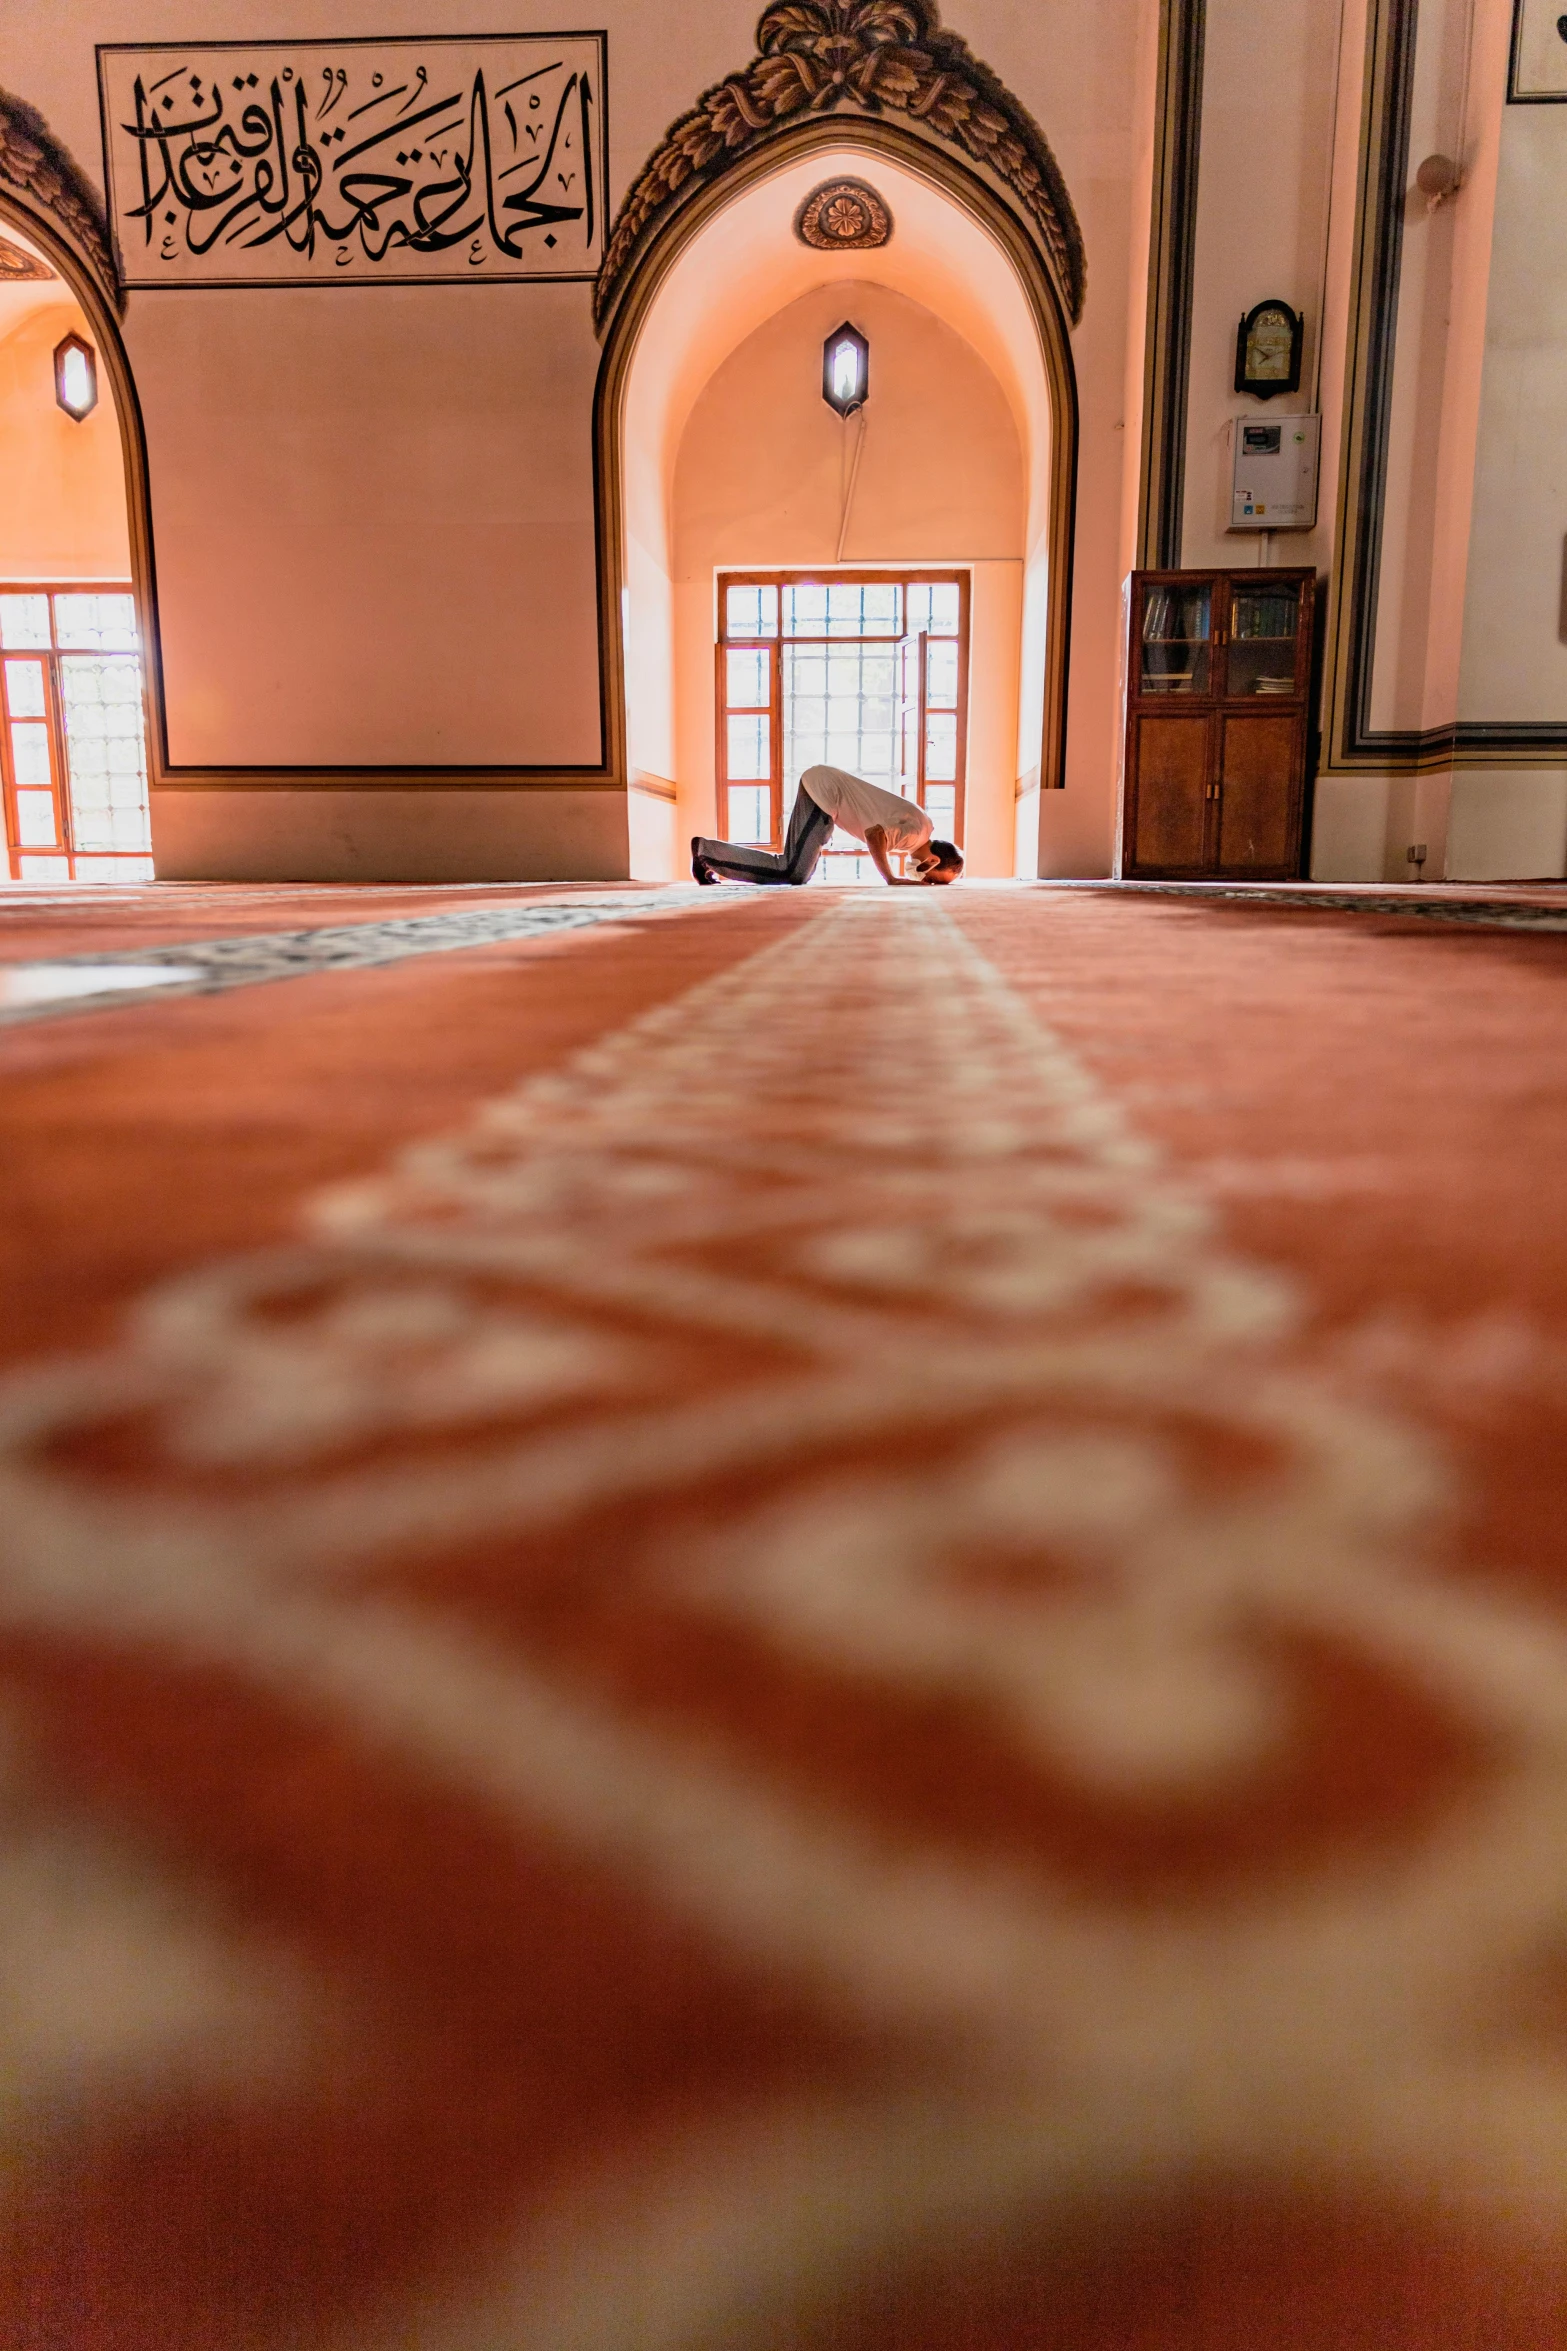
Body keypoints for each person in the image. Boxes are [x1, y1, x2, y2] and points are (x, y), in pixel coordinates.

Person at [692, 764, 963, 888]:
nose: (926, 881)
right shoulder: (914, 835)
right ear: (931, 861)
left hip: (826, 793)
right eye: (933, 879)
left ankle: (709, 855)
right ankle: (707, 853)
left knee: (798, 873)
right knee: (793, 871)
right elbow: (874, 834)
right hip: (824, 792)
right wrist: (891, 879)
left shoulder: (921, 829)